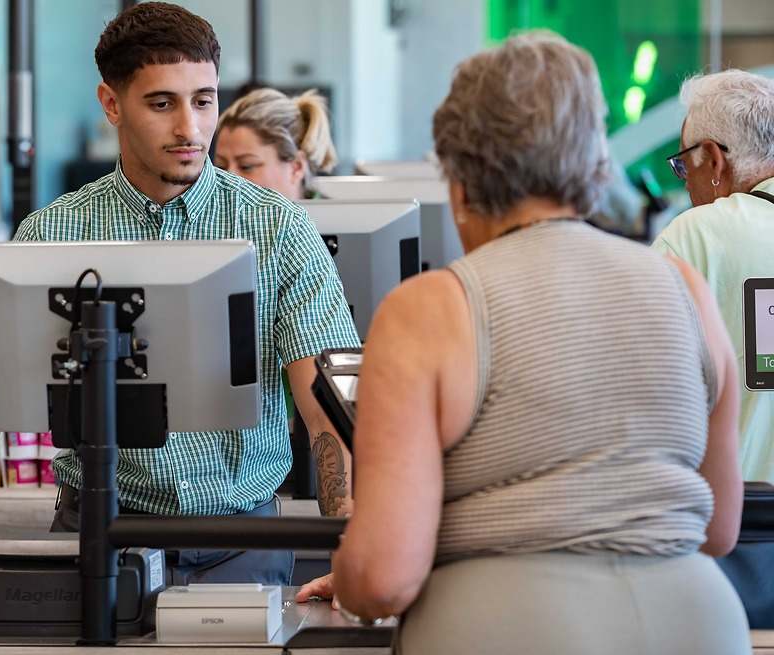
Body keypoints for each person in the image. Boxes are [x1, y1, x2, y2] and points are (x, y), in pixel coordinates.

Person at [0, 2, 360, 605]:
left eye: (204, 100)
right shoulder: (53, 233)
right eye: (162, 103)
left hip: (241, 541)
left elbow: (326, 406)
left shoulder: (278, 229)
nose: (191, 129)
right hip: (95, 540)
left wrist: (353, 542)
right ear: (112, 104)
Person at [297, 32, 749, 654]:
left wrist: (349, 576)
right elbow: (720, 527)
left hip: (505, 630)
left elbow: (382, 578)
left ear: (459, 179)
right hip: (700, 626)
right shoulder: (686, 290)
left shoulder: (430, 309)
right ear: (594, 164)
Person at [652, 69, 774, 484]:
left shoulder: (695, 236)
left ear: (714, 158)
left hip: (740, 527)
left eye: (685, 166)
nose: (686, 187)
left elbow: (646, 392)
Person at [214, 87, 338, 200]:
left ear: (296, 167)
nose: (227, 180)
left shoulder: (339, 221)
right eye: (221, 168)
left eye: (246, 166)